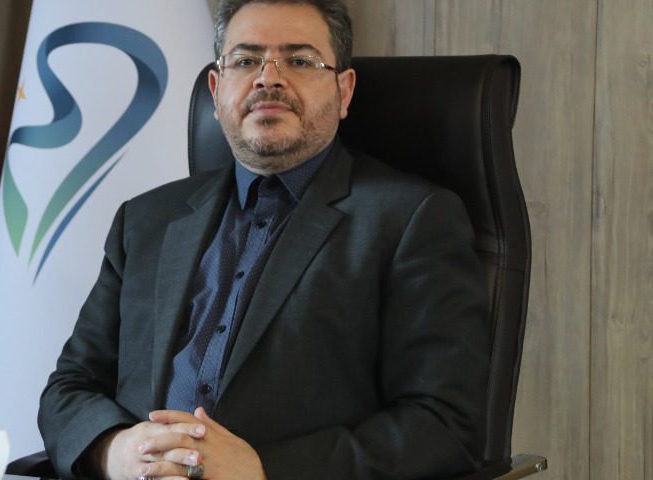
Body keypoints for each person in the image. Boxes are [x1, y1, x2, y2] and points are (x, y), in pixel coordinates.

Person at [38, 0, 490, 478]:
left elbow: (443, 426)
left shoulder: (411, 219)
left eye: (300, 60)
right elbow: (70, 387)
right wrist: (116, 452)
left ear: (344, 91)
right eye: (246, 60)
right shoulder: (146, 220)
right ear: (217, 91)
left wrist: (263, 470)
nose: (267, 79)